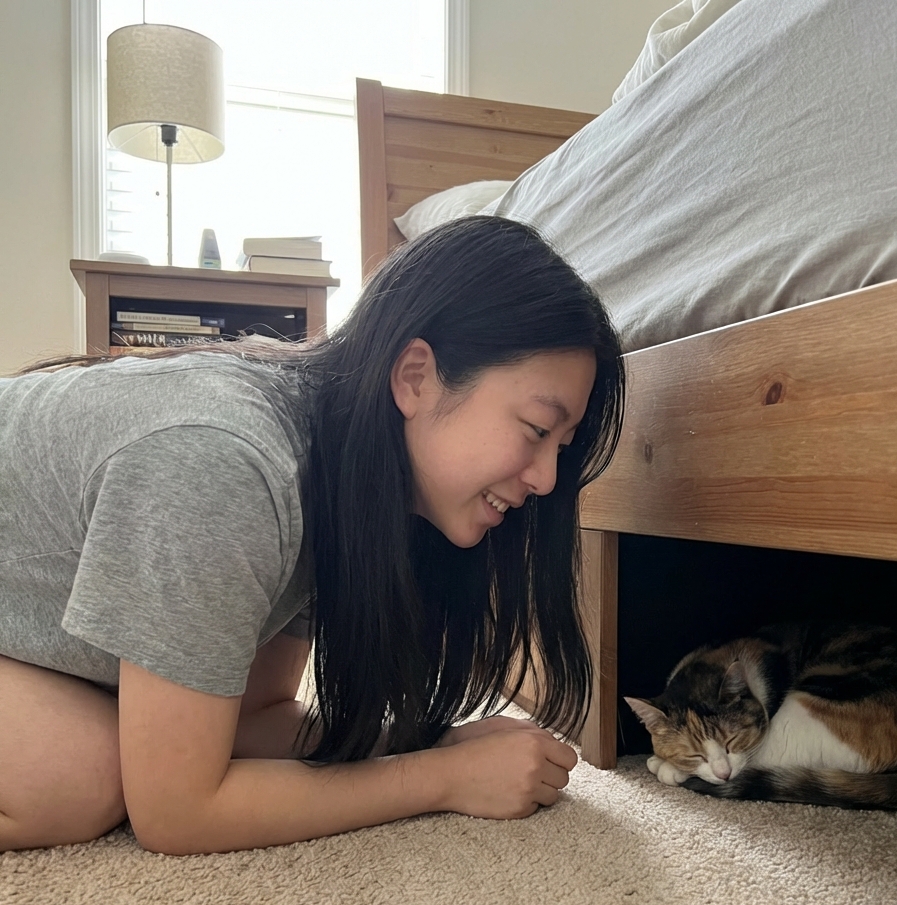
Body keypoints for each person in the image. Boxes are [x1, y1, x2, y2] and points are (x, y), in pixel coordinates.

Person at [0, 216, 625, 855]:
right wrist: (441, 778)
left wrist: (430, 740)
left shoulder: (344, 483)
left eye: (562, 447)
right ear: (415, 377)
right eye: (535, 428)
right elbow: (179, 812)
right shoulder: (228, 462)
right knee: (76, 774)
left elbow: (258, 717)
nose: (547, 480)